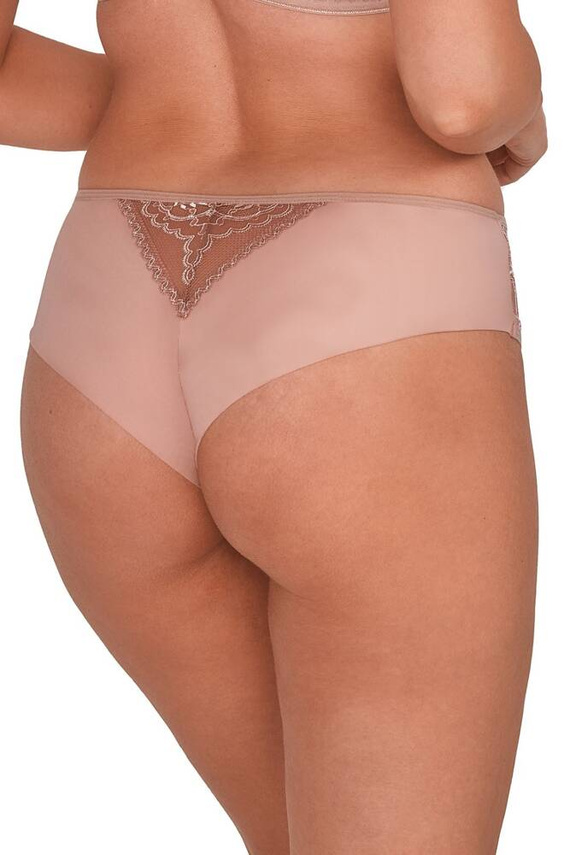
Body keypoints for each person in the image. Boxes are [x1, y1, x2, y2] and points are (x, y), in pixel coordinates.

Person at [1, 1, 547, 852]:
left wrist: (157, 86)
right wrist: (525, 107)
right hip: (361, 312)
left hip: (101, 326)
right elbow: (464, 97)